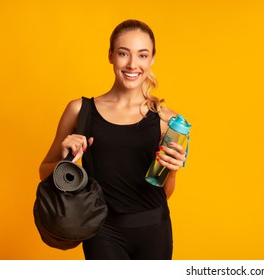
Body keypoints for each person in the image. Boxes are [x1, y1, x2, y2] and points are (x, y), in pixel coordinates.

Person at [39, 19, 186, 259]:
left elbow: (165, 193)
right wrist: (66, 164)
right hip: (102, 231)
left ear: (152, 60)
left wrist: (173, 170)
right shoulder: (80, 110)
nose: (132, 64)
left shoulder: (167, 120)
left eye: (142, 55)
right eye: (123, 53)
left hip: (154, 230)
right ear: (110, 55)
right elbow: (44, 171)